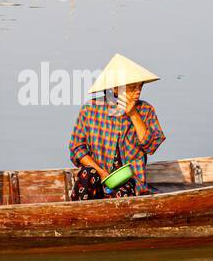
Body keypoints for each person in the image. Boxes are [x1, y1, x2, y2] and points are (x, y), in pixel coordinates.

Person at [68, 53, 165, 198]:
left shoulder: (145, 110)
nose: (138, 90)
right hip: (98, 175)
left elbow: (151, 146)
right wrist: (102, 173)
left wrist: (133, 114)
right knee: (87, 174)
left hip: (130, 180)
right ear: (115, 89)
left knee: (125, 189)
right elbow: (77, 148)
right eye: (132, 87)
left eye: (140, 86)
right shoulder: (90, 109)